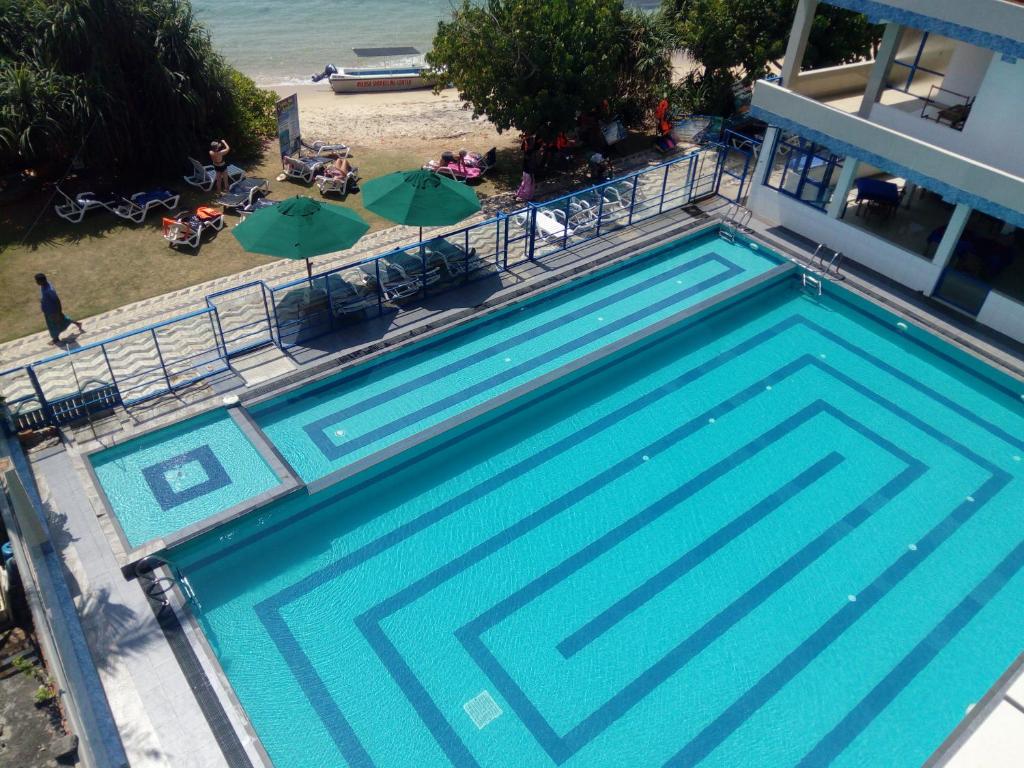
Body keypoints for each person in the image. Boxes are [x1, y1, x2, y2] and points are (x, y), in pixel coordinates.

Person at [35, 273, 83, 346]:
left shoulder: (49, 290)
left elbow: (57, 300)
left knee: (53, 326)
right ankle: (77, 323)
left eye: (37, 281)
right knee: (63, 320)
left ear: (41, 281)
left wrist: (58, 312)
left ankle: (55, 339)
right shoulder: (43, 286)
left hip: (53, 311)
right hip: (48, 310)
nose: (36, 282)